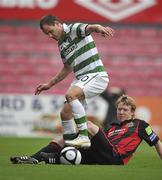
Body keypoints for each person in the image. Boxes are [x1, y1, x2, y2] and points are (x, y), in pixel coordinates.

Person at [34, 14, 115, 148]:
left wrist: (99, 28)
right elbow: (67, 67)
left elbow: (90, 27)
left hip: (96, 75)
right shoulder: (61, 45)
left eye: (50, 31)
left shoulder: (74, 29)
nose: (50, 36)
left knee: (70, 95)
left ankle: (83, 137)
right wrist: (49, 84)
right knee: (65, 113)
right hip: (82, 78)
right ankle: (69, 148)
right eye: (46, 34)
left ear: (57, 24)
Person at [10, 95, 162, 165]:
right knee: (64, 143)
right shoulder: (113, 127)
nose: (121, 112)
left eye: (125, 110)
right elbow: (103, 143)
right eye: (119, 109)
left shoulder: (141, 125)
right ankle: (35, 158)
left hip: (116, 157)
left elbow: (156, 142)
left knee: (89, 125)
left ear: (132, 112)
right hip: (102, 156)